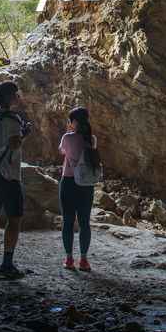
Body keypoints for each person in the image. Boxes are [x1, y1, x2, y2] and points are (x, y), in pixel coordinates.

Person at [0, 81, 32, 279]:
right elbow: (13, 144)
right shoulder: (12, 119)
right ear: (7, 98)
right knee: (15, 218)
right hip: (8, 175)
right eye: (15, 93)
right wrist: (25, 135)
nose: (18, 96)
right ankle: (7, 265)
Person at [58, 106, 98, 271]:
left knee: (67, 222)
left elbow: (62, 152)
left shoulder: (67, 137)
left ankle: (69, 258)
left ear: (74, 122)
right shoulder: (92, 139)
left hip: (68, 181)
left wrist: (69, 131)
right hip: (86, 184)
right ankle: (84, 259)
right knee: (84, 223)